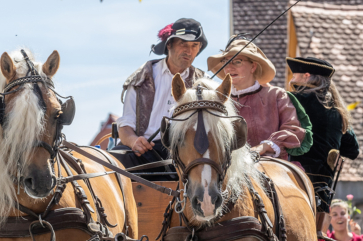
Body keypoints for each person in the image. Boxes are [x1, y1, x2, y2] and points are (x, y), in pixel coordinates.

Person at [111, 18, 208, 172]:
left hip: (184, 154)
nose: (189, 51)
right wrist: (134, 141)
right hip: (142, 151)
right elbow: (125, 126)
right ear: (169, 44)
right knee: (110, 164)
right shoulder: (141, 77)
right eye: (183, 44)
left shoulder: (204, 84)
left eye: (194, 46)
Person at [286, 57, 359, 224]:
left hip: (290, 182)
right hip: (321, 197)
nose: (291, 79)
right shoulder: (338, 112)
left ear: (306, 75)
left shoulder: (290, 100)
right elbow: (353, 151)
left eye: (294, 74)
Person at [207, 38, 305, 160]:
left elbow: (292, 129)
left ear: (253, 67)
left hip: (273, 167)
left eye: (237, 62)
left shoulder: (276, 95)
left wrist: (263, 147)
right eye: (226, 62)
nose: (229, 68)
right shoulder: (217, 100)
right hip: (227, 169)